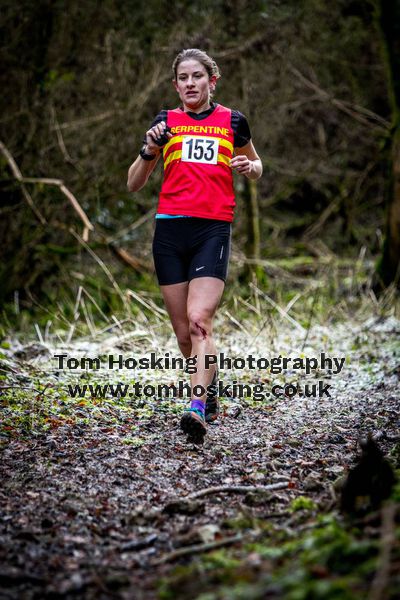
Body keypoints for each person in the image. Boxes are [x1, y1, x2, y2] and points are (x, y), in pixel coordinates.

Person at [127, 48, 262, 442]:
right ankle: (211, 382)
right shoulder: (164, 123)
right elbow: (134, 183)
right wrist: (149, 149)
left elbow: (257, 164)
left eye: (197, 77)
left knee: (201, 320)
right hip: (169, 233)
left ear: (211, 81)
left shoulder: (233, 121)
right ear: (176, 85)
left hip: (212, 230)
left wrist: (249, 167)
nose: (190, 83)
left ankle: (197, 408)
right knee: (185, 335)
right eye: (183, 78)